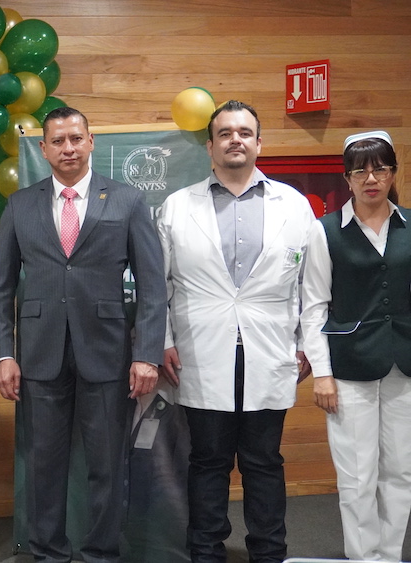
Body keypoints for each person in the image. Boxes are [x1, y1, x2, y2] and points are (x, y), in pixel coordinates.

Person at [0, 106, 167, 563]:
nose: (68, 148)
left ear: (90, 142)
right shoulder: (20, 204)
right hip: (39, 355)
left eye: (75, 138)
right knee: (44, 465)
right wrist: (3, 354)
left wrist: (147, 354)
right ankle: (48, 553)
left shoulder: (126, 201)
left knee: (106, 465)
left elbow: (152, 285)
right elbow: (0, 286)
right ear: (44, 149)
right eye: (58, 141)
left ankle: (100, 554)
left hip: (107, 353)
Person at [157, 100, 314, 563]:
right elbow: (157, 285)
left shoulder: (294, 205)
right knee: (208, 461)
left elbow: (311, 285)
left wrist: (308, 344)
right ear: (209, 147)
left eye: (244, 132)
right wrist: (163, 341)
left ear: (259, 143)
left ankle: (269, 552)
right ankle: (206, 552)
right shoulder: (177, 206)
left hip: (271, 349)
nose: (235, 140)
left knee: (264, 462)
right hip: (200, 350)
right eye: (224, 133)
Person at [301, 131, 411, 562]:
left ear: (393, 173)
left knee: (400, 471)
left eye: (380, 168)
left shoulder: (409, 225)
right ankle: (364, 558)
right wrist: (322, 374)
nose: (371, 178)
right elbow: (314, 307)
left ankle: (390, 555)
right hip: (348, 369)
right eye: (360, 171)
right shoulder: (325, 230)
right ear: (346, 178)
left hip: (404, 364)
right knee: (357, 475)